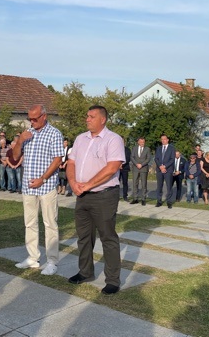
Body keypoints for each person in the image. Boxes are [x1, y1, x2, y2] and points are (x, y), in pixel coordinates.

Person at [66, 105, 125, 295]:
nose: (87, 119)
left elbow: (112, 167)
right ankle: (85, 272)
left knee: (107, 237)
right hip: (82, 195)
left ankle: (113, 280)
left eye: (91, 116)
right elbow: (71, 162)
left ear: (102, 119)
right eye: (87, 116)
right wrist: (73, 183)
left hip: (104, 195)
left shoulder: (113, 139)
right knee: (84, 236)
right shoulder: (80, 139)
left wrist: (87, 185)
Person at [13, 104, 64, 276]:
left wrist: (43, 178)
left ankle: (52, 261)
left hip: (46, 186)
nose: (32, 122)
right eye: (30, 119)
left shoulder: (54, 133)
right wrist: (20, 141)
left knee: (50, 224)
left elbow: (57, 160)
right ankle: (32, 257)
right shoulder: (27, 133)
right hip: (28, 186)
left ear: (44, 116)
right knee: (30, 223)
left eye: (35, 119)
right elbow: (15, 156)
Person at [154, 134, 175, 208]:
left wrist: (165, 166)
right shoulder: (158, 148)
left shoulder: (172, 148)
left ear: (167, 140)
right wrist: (160, 166)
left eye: (164, 139)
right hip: (159, 170)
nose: (163, 140)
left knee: (169, 186)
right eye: (162, 139)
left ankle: (169, 202)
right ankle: (159, 201)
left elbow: (172, 159)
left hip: (168, 170)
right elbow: (156, 158)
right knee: (159, 186)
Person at [130, 137, 151, 205]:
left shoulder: (147, 149)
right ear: (138, 142)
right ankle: (135, 198)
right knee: (135, 183)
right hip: (135, 168)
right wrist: (136, 164)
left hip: (143, 168)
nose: (142, 143)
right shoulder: (134, 148)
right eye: (141, 142)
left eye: (143, 142)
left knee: (144, 184)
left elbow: (148, 158)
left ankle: (143, 199)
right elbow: (132, 157)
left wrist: (142, 164)